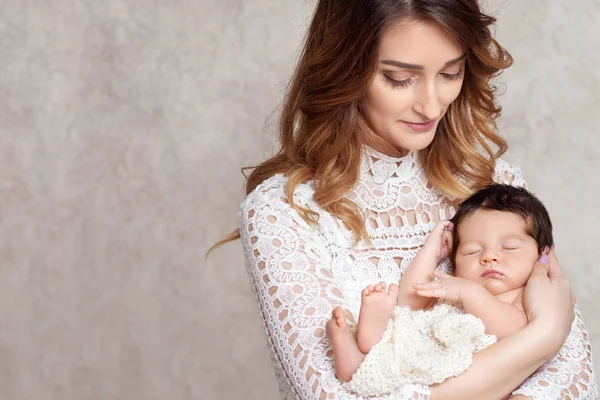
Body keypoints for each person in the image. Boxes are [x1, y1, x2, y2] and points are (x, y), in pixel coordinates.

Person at [213, 0, 597, 398]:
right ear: (344, 69)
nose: (431, 105)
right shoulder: (283, 211)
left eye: (451, 73)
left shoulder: (493, 185)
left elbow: (573, 374)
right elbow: (331, 394)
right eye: (399, 79)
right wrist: (544, 337)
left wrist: (550, 343)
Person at [328, 184, 555, 397]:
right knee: (401, 322)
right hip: (422, 346)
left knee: (405, 363)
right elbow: (412, 298)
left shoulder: (524, 292)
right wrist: (432, 252)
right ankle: (363, 352)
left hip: (465, 378)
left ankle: (367, 353)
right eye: (472, 251)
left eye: (509, 247)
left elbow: (513, 328)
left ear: (541, 254)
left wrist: (468, 293)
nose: (489, 257)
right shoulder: (455, 283)